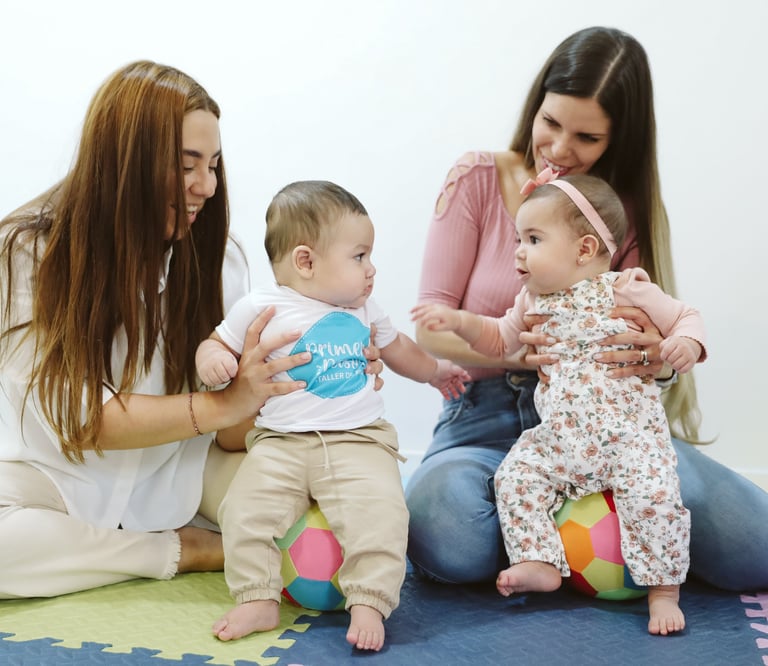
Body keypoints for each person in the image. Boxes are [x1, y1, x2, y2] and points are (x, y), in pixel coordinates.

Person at [0, 61, 384, 599]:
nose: (205, 186)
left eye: (214, 165)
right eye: (187, 166)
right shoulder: (29, 254)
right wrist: (220, 407)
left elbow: (231, 431)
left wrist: (329, 379)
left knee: (352, 514)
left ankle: (112, 550)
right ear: (124, 163)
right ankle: (182, 550)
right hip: (56, 478)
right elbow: (83, 419)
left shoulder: (221, 260)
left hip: (185, 468)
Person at [405, 26, 768, 592]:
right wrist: (522, 352)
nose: (558, 149)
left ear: (618, 140)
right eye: (550, 122)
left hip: (613, 422)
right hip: (486, 416)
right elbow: (432, 321)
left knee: (757, 549)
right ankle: (575, 534)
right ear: (536, 104)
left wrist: (662, 358)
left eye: (587, 137)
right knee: (446, 533)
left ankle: (589, 524)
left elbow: (665, 326)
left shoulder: (614, 217)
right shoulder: (478, 177)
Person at [413, 172, 705, 635]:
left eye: (533, 239)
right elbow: (497, 339)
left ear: (584, 250)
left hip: (631, 437)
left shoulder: (625, 287)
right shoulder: (530, 299)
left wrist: (685, 345)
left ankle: (664, 590)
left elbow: (685, 315)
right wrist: (462, 321)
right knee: (517, 475)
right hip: (562, 440)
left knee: (656, 498)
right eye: (517, 238)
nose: (519, 251)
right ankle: (539, 559)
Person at [196, 180, 469, 651]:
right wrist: (212, 361)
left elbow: (398, 347)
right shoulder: (263, 305)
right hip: (280, 443)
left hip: (357, 439)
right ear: (306, 261)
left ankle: (369, 599)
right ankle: (258, 597)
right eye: (359, 256)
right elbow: (216, 342)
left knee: (381, 510)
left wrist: (436, 372)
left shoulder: (365, 308)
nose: (372, 269)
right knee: (243, 510)